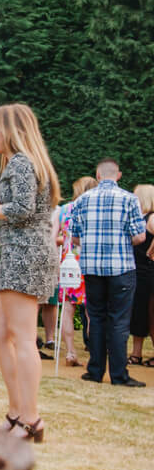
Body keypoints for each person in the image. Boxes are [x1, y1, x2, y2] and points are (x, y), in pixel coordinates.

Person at [0, 104, 61, 443]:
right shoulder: (22, 163)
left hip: (24, 254)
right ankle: (15, 411)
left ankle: (30, 420)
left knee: (23, 338)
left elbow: (20, 210)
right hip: (21, 253)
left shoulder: (22, 163)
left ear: (11, 129)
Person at [69, 158, 147, 388]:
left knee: (97, 318)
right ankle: (119, 374)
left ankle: (95, 371)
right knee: (119, 322)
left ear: (98, 175)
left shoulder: (83, 200)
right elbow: (140, 236)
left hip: (92, 268)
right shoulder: (129, 199)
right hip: (121, 267)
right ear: (118, 175)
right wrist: (122, 242)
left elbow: (74, 237)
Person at [48, 176, 97, 366]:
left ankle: (70, 352)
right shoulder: (93, 210)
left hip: (68, 263)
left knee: (67, 309)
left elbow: (52, 238)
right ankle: (95, 353)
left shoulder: (63, 210)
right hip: (90, 263)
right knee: (92, 312)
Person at [128, 184, 154, 366]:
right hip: (139, 272)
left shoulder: (151, 218)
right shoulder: (141, 218)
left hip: (148, 273)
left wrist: (151, 250)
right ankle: (136, 353)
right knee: (139, 313)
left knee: (150, 314)